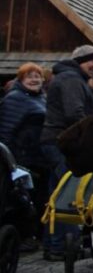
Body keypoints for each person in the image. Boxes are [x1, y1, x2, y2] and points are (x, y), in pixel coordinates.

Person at [40, 44, 93, 260]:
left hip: (55, 141)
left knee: (56, 194)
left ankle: (53, 244)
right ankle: (63, 247)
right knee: (69, 195)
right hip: (63, 143)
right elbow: (74, 113)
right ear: (80, 61)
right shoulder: (71, 79)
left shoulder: (70, 77)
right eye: (92, 61)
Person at [0, 62, 49, 250]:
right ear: (20, 80)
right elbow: (6, 131)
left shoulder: (41, 98)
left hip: (38, 157)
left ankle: (35, 235)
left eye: (37, 76)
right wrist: (10, 160)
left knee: (39, 197)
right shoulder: (15, 99)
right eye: (29, 77)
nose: (34, 80)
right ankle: (24, 237)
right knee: (24, 199)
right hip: (22, 158)